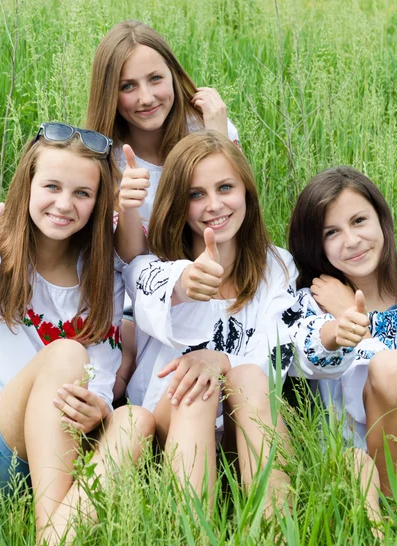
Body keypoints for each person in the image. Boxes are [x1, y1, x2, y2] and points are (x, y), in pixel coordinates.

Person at [0, 123, 154, 546]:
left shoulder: (104, 276)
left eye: (82, 193)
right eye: (51, 186)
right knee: (67, 354)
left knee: (135, 419)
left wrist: (99, 411)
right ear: (28, 185)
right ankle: (52, 543)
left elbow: (102, 380)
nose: (64, 204)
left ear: (97, 203)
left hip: (60, 448)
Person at [123, 131, 296, 513]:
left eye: (225, 188)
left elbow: (278, 353)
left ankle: (275, 538)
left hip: (240, 431)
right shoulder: (153, 265)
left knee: (248, 376)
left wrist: (221, 361)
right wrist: (185, 282)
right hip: (166, 429)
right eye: (196, 195)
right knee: (195, 388)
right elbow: (155, 285)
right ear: (176, 204)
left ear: (246, 192)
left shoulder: (278, 266)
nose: (214, 205)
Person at [286, 166, 397, 527]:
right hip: (343, 462)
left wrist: (352, 315)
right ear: (316, 245)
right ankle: (378, 540)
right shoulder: (310, 303)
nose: (351, 240)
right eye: (331, 232)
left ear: (382, 220)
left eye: (359, 220)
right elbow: (302, 361)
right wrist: (336, 326)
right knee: (354, 461)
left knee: (392, 368)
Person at [87, 20, 241, 395]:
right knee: (121, 375)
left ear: (173, 76)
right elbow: (128, 257)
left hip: (217, 281)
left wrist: (217, 137)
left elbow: (238, 210)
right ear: (110, 94)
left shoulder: (204, 127)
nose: (145, 98)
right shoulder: (105, 159)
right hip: (147, 290)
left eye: (155, 79)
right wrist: (128, 206)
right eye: (128, 86)